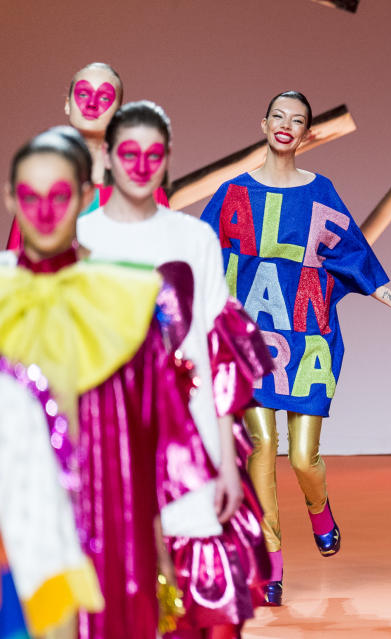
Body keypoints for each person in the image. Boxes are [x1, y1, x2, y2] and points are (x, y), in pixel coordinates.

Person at [0, 126, 215, 638]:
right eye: (30, 196)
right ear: (11, 198)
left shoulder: (124, 298)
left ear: (80, 197)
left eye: (59, 195)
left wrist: (163, 548)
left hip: (109, 522)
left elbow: (155, 432)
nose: (45, 211)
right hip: (15, 525)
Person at [76, 103, 271, 638]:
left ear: (166, 162)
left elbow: (215, 352)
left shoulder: (194, 238)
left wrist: (229, 463)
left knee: (204, 595)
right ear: (109, 160)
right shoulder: (82, 239)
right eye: (129, 153)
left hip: (190, 435)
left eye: (154, 154)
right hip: (111, 438)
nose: (141, 164)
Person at [199, 90, 391, 606]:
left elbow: (354, 255)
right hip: (251, 343)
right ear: (263, 123)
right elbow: (198, 257)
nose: (287, 125)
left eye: (298, 120)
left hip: (307, 341)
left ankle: (320, 508)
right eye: (279, 116)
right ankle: (270, 562)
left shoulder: (320, 191)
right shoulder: (232, 193)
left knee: (304, 457)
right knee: (262, 447)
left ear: (307, 134)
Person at [5, 62, 167, 250]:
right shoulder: (40, 185)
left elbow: (166, 262)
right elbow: (17, 265)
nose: (91, 104)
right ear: (67, 104)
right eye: (83, 94)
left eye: (104, 98)